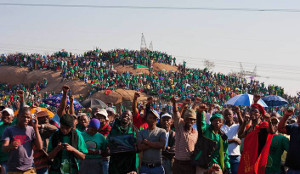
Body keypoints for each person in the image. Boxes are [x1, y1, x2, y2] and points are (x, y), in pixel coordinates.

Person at [2, 107, 43, 174]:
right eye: (23, 116)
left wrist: (35, 128)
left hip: (29, 169)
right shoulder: (9, 130)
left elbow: (40, 147)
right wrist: (11, 146)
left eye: (28, 117)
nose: (26, 119)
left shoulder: (31, 130)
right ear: (18, 116)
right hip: (13, 169)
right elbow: (4, 148)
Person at [196, 104, 231, 174]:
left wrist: (227, 167)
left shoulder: (223, 137)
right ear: (211, 122)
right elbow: (201, 123)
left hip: (217, 166)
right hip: (203, 164)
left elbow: (225, 154)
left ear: (222, 124)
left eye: (220, 121)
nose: (217, 122)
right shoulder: (206, 130)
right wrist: (200, 112)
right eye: (215, 120)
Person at [170, 97, 198, 174]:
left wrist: (195, 104)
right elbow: (176, 114)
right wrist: (175, 103)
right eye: (188, 119)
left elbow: (192, 113)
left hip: (190, 164)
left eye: (192, 120)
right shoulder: (180, 127)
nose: (190, 121)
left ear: (194, 121)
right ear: (184, 120)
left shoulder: (195, 133)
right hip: (178, 164)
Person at [137, 109, 166, 174]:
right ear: (146, 119)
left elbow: (161, 145)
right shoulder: (141, 132)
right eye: (150, 118)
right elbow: (139, 147)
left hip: (157, 167)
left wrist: (147, 142)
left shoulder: (162, 131)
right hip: (145, 167)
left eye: (154, 118)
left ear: (157, 120)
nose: (152, 120)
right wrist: (155, 144)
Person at [221, 107, 243, 174]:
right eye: (226, 115)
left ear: (233, 115)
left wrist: (238, 112)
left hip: (236, 155)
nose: (228, 116)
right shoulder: (221, 127)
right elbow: (221, 141)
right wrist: (233, 140)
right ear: (223, 116)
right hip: (225, 155)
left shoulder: (236, 126)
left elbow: (242, 124)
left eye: (229, 114)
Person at [278, 107, 300, 174]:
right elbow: (281, 128)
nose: (299, 117)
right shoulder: (294, 128)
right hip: (292, 169)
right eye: (299, 115)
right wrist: (286, 115)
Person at [0, 108, 16, 174]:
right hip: (3, 160)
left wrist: (22, 101)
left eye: (8, 115)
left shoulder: (15, 125)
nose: (5, 116)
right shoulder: (0, 126)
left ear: (12, 117)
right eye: (3, 114)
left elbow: (22, 112)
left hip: (16, 159)